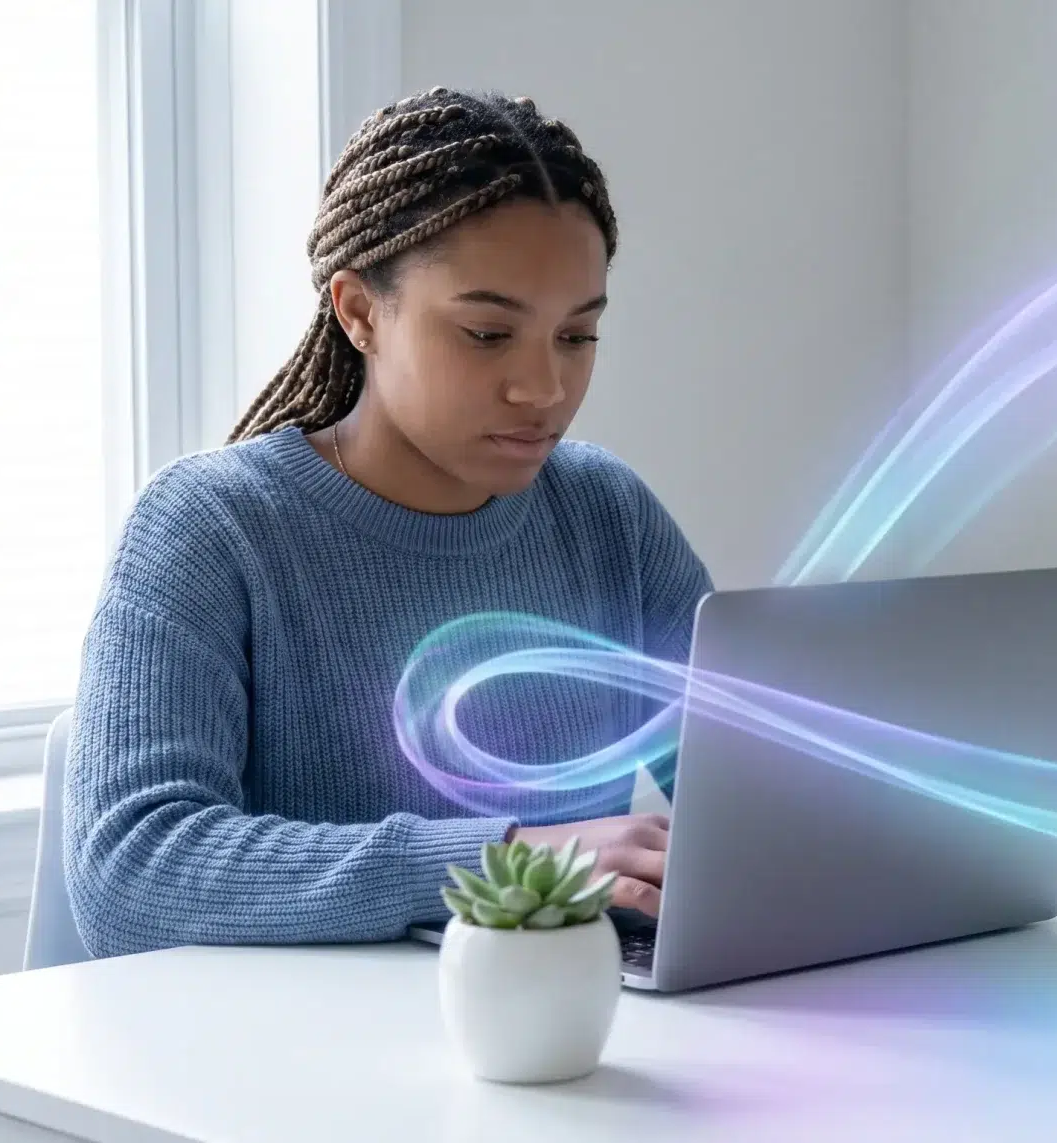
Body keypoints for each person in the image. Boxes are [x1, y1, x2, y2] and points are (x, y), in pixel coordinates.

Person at [62, 88, 709, 958]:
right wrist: (505, 862)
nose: (544, 389)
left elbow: (750, 791)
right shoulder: (210, 528)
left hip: (549, 1039)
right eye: (487, 334)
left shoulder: (604, 511)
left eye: (576, 337)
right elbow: (131, 873)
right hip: (282, 1063)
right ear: (360, 311)